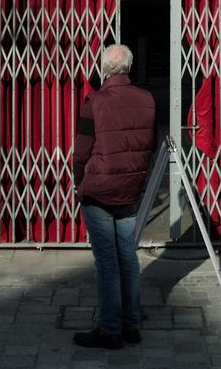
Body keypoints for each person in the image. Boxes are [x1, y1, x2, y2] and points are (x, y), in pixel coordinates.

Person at [72, 43, 156, 350]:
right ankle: (131, 325)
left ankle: (110, 330)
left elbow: (81, 151)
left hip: (99, 190)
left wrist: (78, 182)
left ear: (105, 68)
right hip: (129, 189)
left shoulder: (94, 101)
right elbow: (150, 143)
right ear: (129, 68)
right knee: (128, 257)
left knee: (107, 262)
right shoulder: (147, 99)